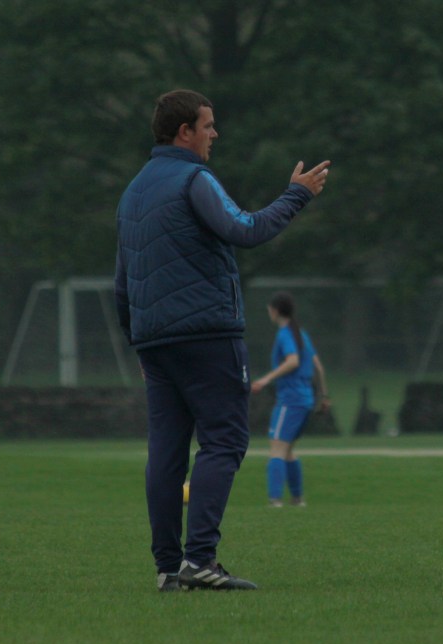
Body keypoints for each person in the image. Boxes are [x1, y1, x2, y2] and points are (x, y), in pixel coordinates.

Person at [115, 89, 330, 592]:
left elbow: (122, 282)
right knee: (225, 440)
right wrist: (296, 194)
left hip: (155, 343)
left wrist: (137, 342)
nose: (215, 134)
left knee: (165, 453)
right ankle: (200, 560)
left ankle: (168, 568)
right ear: (183, 132)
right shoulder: (194, 179)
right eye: (208, 126)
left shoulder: (133, 192)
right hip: (207, 335)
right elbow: (244, 229)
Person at [251, 291, 330, 507]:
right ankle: (297, 499)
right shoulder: (300, 333)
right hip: (305, 400)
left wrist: (266, 379)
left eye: (269, 308)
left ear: (275, 310)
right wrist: (324, 396)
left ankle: (275, 500)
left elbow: (293, 361)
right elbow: (318, 367)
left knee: (276, 448)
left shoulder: (286, 334)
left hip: (290, 400)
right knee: (288, 451)